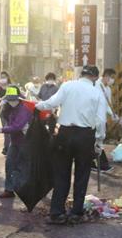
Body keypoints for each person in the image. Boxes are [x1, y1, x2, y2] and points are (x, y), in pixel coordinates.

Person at [35, 65, 107, 225]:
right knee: (82, 175)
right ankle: (76, 212)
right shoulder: (97, 93)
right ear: (95, 78)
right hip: (85, 137)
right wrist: (99, 142)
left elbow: (51, 103)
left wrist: (37, 106)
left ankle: (57, 213)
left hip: (64, 135)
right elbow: (101, 121)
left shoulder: (67, 86)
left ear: (81, 75)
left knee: (61, 174)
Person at [0, 86, 34, 198]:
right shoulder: (9, 108)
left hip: (25, 142)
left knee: (23, 167)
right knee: (9, 164)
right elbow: (7, 121)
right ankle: (9, 190)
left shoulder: (24, 110)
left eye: (13, 99)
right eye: (9, 99)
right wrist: (3, 107)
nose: (11, 101)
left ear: (19, 98)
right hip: (14, 142)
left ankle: (26, 191)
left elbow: (17, 127)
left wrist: (0, 130)